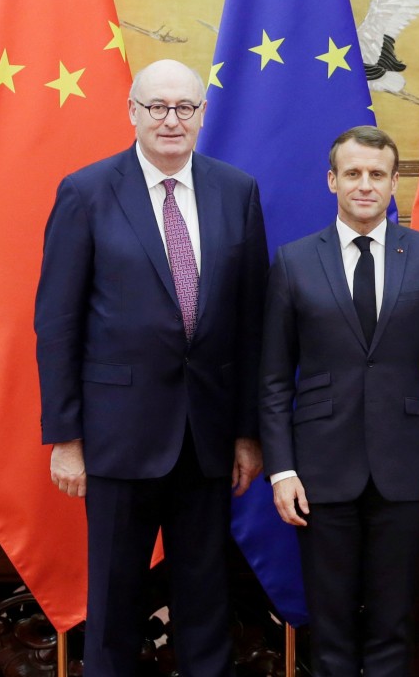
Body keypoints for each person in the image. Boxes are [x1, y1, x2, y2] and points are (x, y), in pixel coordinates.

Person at [34, 59, 269, 676]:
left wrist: (248, 430)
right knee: (114, 601)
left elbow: (251, 322)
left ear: (201, 115)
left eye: (185, 108)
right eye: (158, 107)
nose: (172, 120)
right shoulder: (86, 191)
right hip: (116, 435)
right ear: (132, 112)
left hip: (209, 435)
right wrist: (66, 438)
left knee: (206, 598)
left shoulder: (236, 190)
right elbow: (57, 322)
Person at [258, 126, 419, 676]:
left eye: (378, 174)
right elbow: (275, 378)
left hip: (405, 468)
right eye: (353, 173)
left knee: (392, 623)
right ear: (332, 181)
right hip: (320, 470)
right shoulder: (295, 260)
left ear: (396, 181)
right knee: (328, 627)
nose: (365, 185)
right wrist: (281, 471)